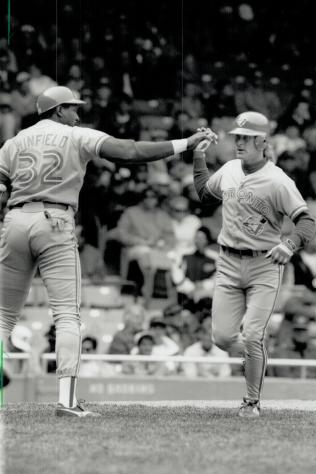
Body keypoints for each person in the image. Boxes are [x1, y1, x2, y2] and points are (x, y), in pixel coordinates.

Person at [0, 85, 215, 418]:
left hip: (15, 219)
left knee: (2, 315)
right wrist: (184, 144)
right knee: (67, 315)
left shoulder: (14, 142)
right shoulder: (75, 136)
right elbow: (128, 151)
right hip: (54, 218)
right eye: (72, 108)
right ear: (58, 111)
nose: (78, 113)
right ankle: (67, 402)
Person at [193, 111, 316, 417]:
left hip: (264, 264)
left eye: (247, 138)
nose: (240, 143)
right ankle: (254, 356)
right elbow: (204, 195)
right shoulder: (231, 168)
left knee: (252, 334)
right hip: (228, 262)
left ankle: (251, 402)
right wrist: (198, 156)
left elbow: (307, 222)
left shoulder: (278, 180)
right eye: (237, 137)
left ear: (263, 140)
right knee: (221, 337)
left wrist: (289, 244)